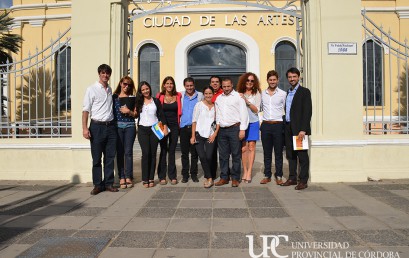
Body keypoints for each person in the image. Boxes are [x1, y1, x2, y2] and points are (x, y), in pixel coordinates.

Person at [82, 64, 118, 195]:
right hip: (97, 127)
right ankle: (98, 185)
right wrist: (85, 128)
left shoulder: (109, 89)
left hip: (110, 127)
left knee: (109, 157)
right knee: (96, 158)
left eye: (107, 73)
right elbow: (85, 110)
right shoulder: (91, 89)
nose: (105, 75)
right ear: (99, 74)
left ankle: (108, 183)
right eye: (103, 73)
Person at [281, 67, 312, 190]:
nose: (292, 79)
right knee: (290, 154)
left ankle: (303, 180)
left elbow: (307, 111)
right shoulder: (288, 92)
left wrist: (303, 129)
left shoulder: (304, 92)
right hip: (288, 127)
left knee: (302, 155)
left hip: (299, 129)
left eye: (294, 77)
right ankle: (292, 178)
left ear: (298, 77)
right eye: (289, 77)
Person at [214, 77, 249, 187]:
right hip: (222, 130)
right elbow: (218, 115)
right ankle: (224, 177)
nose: (226, 88)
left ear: (232, 85)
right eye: (224, 86)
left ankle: (235, 178)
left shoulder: (238, 97)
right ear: (221, 86)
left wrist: (242, 129)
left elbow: (244, 114)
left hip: (235, 129)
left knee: (235, 155)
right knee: (223, 156)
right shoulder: (219, 98)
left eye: (228, 86)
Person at [136, 81, 167, 188]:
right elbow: (134, 113)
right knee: (146, 154)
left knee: (153, 154)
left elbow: (161, 115)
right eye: (143, 90)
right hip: (142, 130)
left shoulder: (156, 101)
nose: (145, 91)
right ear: (140, 91)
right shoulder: (138, 102)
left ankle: (151, 178)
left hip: (155, 129)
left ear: (150, 88)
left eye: (147, 89)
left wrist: (165, 127)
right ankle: (145, 178)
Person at [259, 70, 287, 185]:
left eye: (274, 80)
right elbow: (258, 108)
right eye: (270, 80)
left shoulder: (283, 94)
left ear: (277, 80)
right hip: (266, 125)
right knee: (267, 152)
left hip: (278, 125)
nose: (272, 82)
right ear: (267, 80)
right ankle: (267, 175)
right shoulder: (262, 94)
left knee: (279, 152)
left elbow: (286, 109)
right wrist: (261, 121)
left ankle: (279, 175)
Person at [190, 86, 219, 188]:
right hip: (199, 134)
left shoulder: (216, 106)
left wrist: (214, 134)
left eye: (210, 93)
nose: (208, 95)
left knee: (209, 156)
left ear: (213, 94)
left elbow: (218, 122)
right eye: (206, 93)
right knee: (202, 156)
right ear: (203, 94)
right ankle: (209, 178)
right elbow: (194, 121)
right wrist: (193, 136)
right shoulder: (199, 105)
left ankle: (208, 176)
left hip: (211, 135)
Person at [156, 76, 182, 185]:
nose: (169, 85)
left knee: (172, 151)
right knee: (163, 150)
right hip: (162, 125)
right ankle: (162, 176)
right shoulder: (159, 96)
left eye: (171, 83)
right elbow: (157, 112)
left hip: (175, 125)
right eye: (167, 83)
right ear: (164, 85)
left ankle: (172, 176)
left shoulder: (178, 96)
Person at [113, 76, 137, 189]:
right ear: (121, 83)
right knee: (120, 152)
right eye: (125, 84)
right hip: (117, 127)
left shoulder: (133, 98)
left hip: (130, 127)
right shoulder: (114, 97)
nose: (126, 86)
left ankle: (128, 177)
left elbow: (136, 114)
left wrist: (129, 111)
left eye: (129, 85)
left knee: (128, 152)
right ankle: (121, 176)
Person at [236, 72, 261, 183]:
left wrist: (246, 101)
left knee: (251, 147)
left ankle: (249, 172)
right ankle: (245, 171)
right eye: (248, 80)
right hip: (242, 123)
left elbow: (256, 110)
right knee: (244, 148)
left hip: (253, 122)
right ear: (244, 81)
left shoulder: (257, 94)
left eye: (252, 80)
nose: (250, 82)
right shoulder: (238, 93)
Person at [180, 77, 203, 183]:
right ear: (184, 86)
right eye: (187, 86)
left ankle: (194, 174)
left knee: (194, 153)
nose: (189, 87)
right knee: (184, 153)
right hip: (183, 128)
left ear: (194, 85)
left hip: (196, 128)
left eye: (191, 85)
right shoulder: (180, 96)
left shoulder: (200, 95)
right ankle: (185, 175)